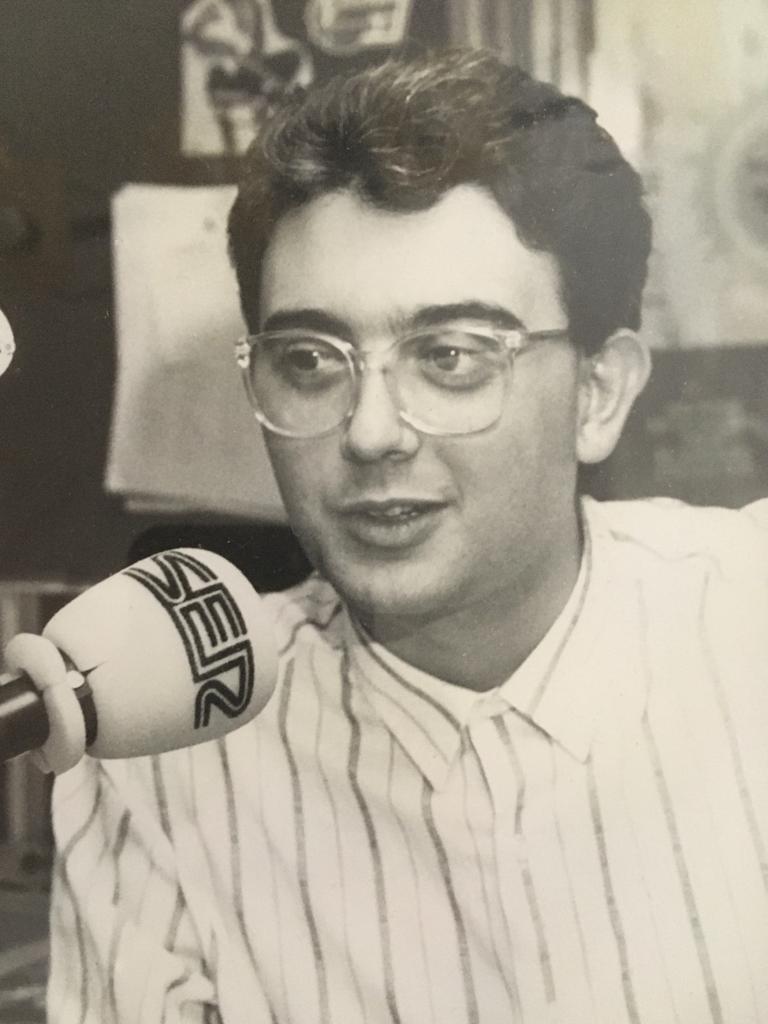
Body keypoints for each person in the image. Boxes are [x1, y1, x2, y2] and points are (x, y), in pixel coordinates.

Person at [48, 50, 768, 1024]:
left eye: (452, 357)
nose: (372, 430)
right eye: (309, 359)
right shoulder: (159, 755)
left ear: (600, 393)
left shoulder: (746, 627)